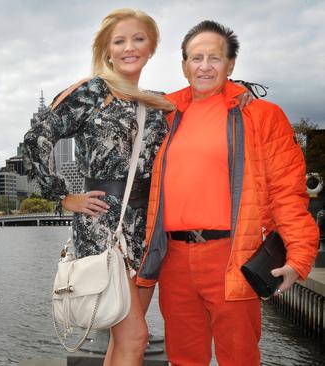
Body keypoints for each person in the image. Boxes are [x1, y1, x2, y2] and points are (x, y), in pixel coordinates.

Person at [135, 20, 320, 365]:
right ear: (184, 66)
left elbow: (287, 191)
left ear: (231, 64)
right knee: (184, 357)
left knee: (239, 357)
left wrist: (299, 258)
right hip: (173, 257)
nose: (204, 66)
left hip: (232, 255)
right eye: (196, 58)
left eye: (214, 58)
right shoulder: (165, 115)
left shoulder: (262, 116)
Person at [23, 8, 175, 365]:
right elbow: (35, 140)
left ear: (151, 46)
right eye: (119, 41)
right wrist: (62, 196)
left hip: (147, 226)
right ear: (106, 49)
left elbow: (206, 102)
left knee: (121, 338)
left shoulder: (156, 103)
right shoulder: (92, 91)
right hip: (105, 224)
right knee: (136, 336)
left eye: (138, 39)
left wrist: (241, 96)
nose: (129, 47)